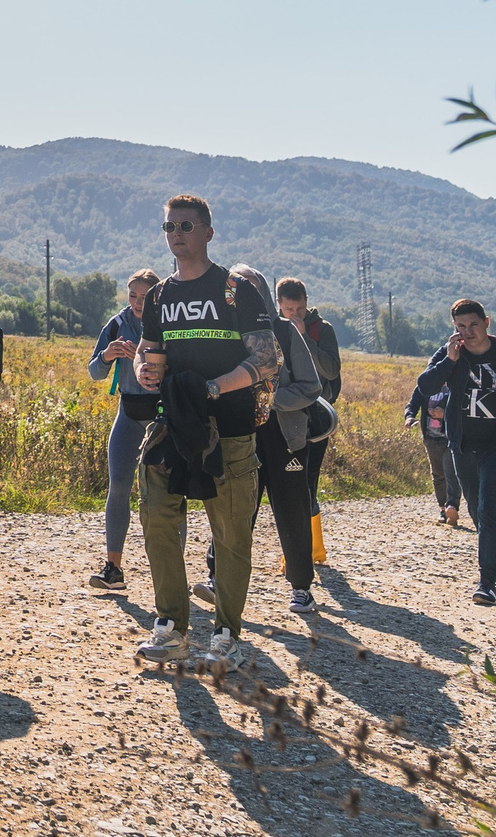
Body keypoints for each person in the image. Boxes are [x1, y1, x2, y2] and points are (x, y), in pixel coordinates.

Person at [132, 195, 279, 668]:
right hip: (173, 425)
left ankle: (227, 635)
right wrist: (142, 369)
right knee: (156, 517)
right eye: (169, 226)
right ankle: (172, 627)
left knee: (231, 534)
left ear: (208, 233)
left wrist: (214, 387)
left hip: (230, 430)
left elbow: (266, 359)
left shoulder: (235, 290)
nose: (176, 233)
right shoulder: (158, 296)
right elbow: (147, 348)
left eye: (186, 226)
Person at [425, 300, 496, 604]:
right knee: (477, 511)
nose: (467, 332)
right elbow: (425, 385)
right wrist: (449, 361)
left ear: (486, 323)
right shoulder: (451, 353)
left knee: (490, 510)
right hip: (462, 445)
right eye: (460, 327)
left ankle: (487, 581)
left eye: (473, 325)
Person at [256, 269, 334, 612]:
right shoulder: (226, 334)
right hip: (242, 434)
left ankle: (301, 586)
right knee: (233, 509)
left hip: (289, 434)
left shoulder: (289, 332)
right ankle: (217, 578)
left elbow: (316, 383)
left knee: (293, 506)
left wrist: (272, 400)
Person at [85, 269, 163, 594]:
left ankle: (167, 575)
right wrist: (107, 355)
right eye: (133, 295)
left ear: (156, 296)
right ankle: (113, 569)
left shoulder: (165, 322)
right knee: (118, 487)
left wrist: (147, 362)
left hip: (160, 415)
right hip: (128, 414)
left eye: (144, 297)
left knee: (162, 494)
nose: (137, 302)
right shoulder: (116, 324)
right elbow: (93, 372)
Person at [277, 278, 343, 568]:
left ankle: (310, 549)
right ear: (278, 304)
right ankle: (298, 548)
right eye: (289, 309)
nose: (295, 315)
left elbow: (331, 370)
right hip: (281, 415)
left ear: (307, 302)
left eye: (300, 308)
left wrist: (306, 341)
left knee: (308, 481)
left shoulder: (322, 329)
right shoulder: (273, 329)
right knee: (285, 484)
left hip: (314, 418)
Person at [405, 375, 460, 526]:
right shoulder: (425, 386)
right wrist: (409, 417)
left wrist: (444, 414)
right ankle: (443, 508)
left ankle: (452, 506)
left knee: (452, 473)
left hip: (451, 438)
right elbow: (412, 404)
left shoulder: (456, 385)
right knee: (438, 475)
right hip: (431, 437)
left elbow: (462, 408)